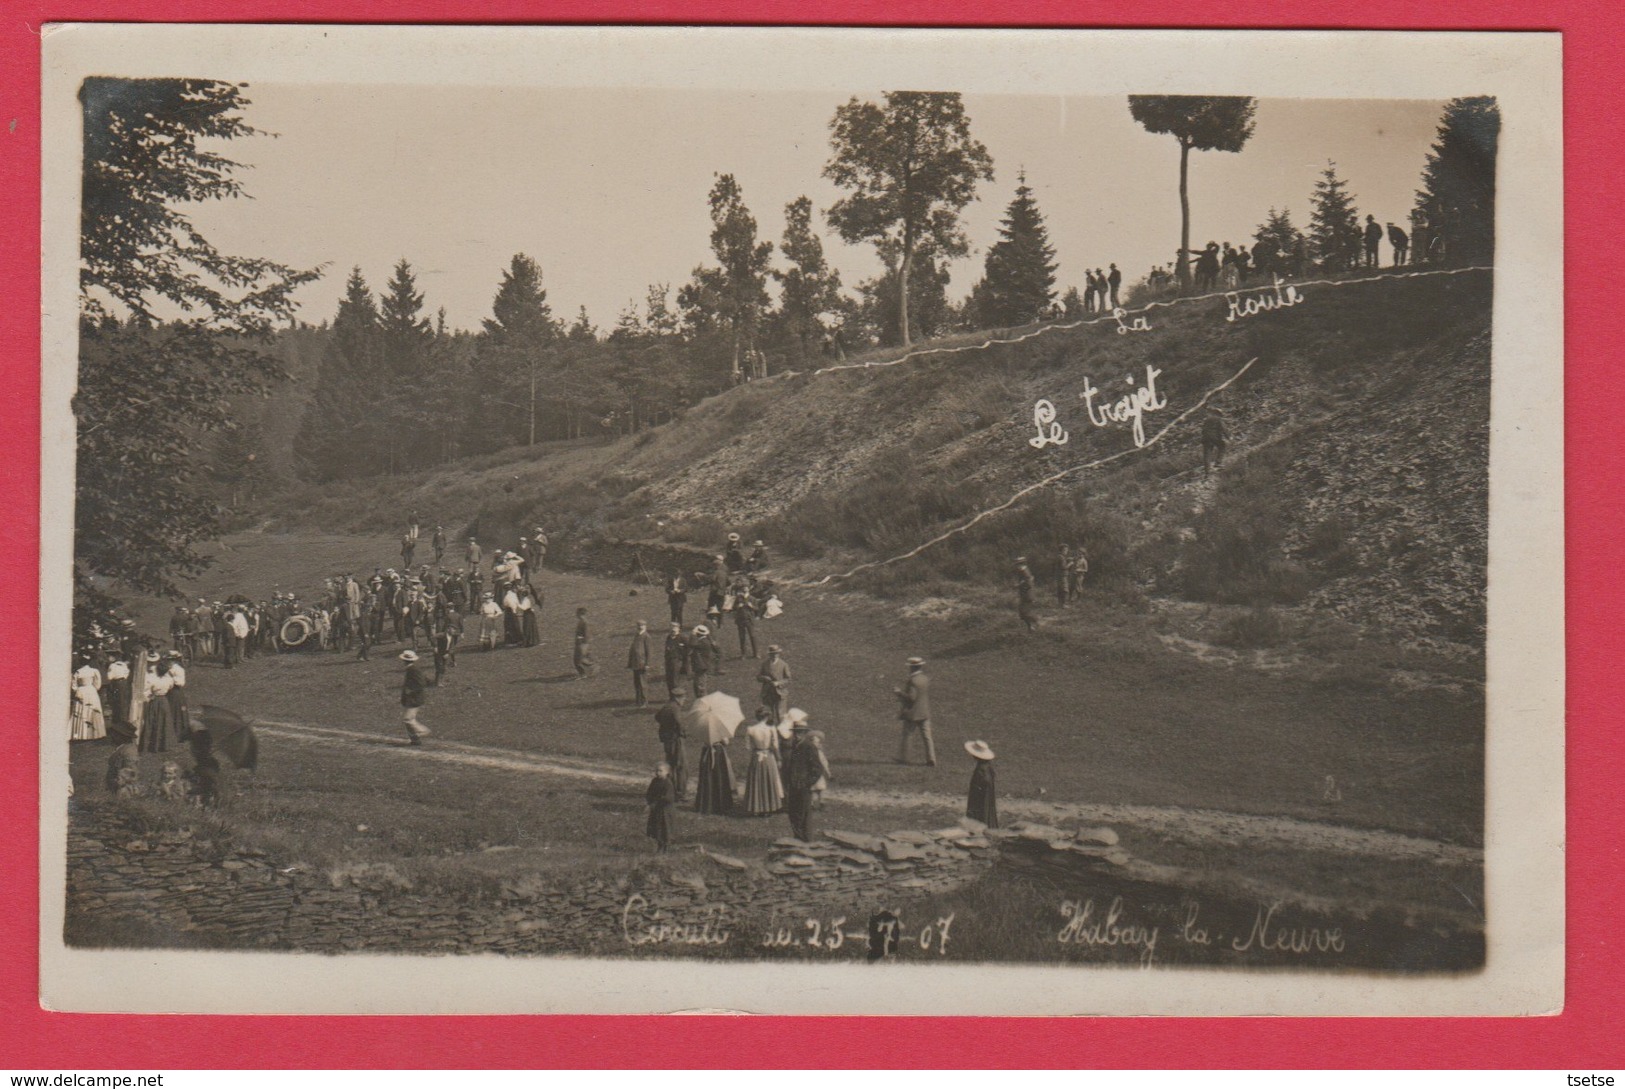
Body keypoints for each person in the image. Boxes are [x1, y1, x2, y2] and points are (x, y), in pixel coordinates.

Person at [782, 712, 823, 842]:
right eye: (795, 732)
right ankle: (799, 838)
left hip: (803, 785)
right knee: (793, 813)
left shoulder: (809, 746)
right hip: (793, 785)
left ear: (805, 733)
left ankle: (804, 840)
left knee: (803, 813)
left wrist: (807, 783)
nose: (797, 735)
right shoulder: (794, 746)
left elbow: (817, 769)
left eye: (800, 732)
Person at [741, 708, 784, 816]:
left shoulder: (750, 729)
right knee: (769, 779)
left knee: (757, 780)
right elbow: (775, 746)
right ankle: (768, 807)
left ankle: (756, 806)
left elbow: (747, 747)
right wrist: (778, 758)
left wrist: (756, 748)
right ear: (766, 717)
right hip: (768, 756)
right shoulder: (771, 729)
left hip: (756, 756)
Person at [894, 656, 936, 766]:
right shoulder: (925, 678)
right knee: (927, 737)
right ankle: (931, 759)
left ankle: (904, 758)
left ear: (912, 668)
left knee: (907, 736)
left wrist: (899, 693)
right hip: (924, 712)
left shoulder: (912, 681)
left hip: (912, 714)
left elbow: (911, 698)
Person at [655, 695, 689, 800]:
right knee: (681, 766)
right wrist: (683, 733)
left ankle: (669, 790)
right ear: (678, 698)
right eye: (683, 698)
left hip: (667, 741)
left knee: (670, 766)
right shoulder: (675, 709)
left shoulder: (666, 707)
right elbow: (679, 723)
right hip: (675, 740)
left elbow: (657, 717)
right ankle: (680, 793)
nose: (684, 701)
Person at [694, 730, 735, 816]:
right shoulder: (719, 729)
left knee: (707, 776)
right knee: (719, 776)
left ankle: (706, 804)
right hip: (717, 753)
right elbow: (726, 742)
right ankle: (721, 804)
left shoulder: (704, 728)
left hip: (706, 752)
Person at [965, 740, 999, 828]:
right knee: (987, 809)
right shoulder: (987, 767)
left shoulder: (981, 769)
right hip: (986, 793)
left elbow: (982, 782)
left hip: (979, 794)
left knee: (980, 810)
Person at [399, 650, 430, 746]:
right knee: (408, 720)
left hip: (414, 698)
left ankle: (423, 731)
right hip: (412, 698)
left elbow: (421, 683)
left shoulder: (413, 669)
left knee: (408, 719)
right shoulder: (412, 668)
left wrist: (410, 690)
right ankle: (415, 740)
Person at [644, 762, 676, 852]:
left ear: (667, 772)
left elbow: (669, 798)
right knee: (657, 828)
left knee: (665, 828)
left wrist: (657, 801)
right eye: (657, 770)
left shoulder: (668, 783)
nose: (658, 773)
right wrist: (650, 801)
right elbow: (649, 792)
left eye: (661, 771)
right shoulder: (654, 781)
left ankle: (666, 847)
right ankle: (660, 845)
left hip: (665, 810)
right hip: (656, 810)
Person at [69, 664, 105, 742]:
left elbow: (74, 685)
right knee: (92, 710)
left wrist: (78, 690)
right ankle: (95, 734)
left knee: (81, 712)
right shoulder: (94, 671)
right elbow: (98, 684)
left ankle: (80, 734)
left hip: (81, 691)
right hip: (91, 691)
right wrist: (93, 689)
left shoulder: (78, 672)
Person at [104, 720, 140, 794]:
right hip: (115, 785)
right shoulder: (122, 747)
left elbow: (130, 772)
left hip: (123, 788)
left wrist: (119, 783)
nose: (112, 736)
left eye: (115, 734)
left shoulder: (129, 752)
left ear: (122, 736)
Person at [757, 645, 791, 723]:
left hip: (780, 693)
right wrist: (764, 678)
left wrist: (778, 683)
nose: (774, 655)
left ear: (778, 654)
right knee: (768, 714)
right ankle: (769, 732)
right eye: (772, 654)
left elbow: (788, 679)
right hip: (767, 693)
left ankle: (781, 733)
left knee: (781, 715)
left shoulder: (783, 664)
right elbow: (758, 677)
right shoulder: (765, 664)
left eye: (776, 653)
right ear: (769, 654)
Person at [626, 620, 651, 707]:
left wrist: (647, 664)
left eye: (642, 626)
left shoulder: (646, 636)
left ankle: (644, 701)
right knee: (636, 683)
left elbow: (649, 651)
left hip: (642, 663)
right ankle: (638, 700)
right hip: (635, 663)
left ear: (645, 626)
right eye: (639, 626)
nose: (640, 627)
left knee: (642, 683)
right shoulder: (637, 635)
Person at [687, 624, 715, 698]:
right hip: (702, 666)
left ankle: (703, 702)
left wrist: (692, 635)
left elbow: (691, 644)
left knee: (700, 685)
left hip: (701, 666)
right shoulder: (703, 641)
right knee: (699, 684)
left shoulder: (703, 642)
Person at [662, 622, 689, 700]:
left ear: (678, 629)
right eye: (671, 628)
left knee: (675, 681)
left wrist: (685, 664)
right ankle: (671, 697)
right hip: (669, 661)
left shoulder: (682, 638)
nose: (673, 630)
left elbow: (687, 651)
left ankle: (677, 697)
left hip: (677, 662)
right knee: (669, 680)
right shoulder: (669, 637)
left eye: (675, 628)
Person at [732, 590, 759, 659]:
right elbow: (733, 608)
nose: (744, 592)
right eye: (743, 590)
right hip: (740, 620)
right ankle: (743, 654)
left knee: (753, 636)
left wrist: (751, 606)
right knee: (742, 637)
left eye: (746, 590)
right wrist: (738, 606)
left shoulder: (753, 598)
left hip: (749, 620)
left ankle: (756, 654)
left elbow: (757, 609)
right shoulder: (738, 598)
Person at [1201, 406, 1227, 474]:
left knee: (1207, 454)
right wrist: (1229, 437)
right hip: (1215, 438)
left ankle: (1207, 472)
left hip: (1205, 438)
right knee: (1222, 446)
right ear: (1218, 414)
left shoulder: (1206, 420)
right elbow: (1224, 429)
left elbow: (1203, 430)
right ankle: (1218, 462)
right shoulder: (1218, 419)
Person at [1015, 558, 1038, 632]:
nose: (1017, 566)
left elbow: (1028, 583)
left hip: (1028, 595)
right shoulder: (1023, 571)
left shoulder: (1025, 571)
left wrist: (1018, 585)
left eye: (1018, 564)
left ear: (1022, 564)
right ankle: (1031, 627)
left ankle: (1035, 623)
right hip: (1026, 595)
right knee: (1023, 612)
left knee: (1024, 612)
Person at [573, 607, 597, 678]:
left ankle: (584, 673)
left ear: (580, 613)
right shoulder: (581, 621)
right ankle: (586, 672)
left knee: (579, 659)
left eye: (577, 613)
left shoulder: (584, 622)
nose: (576, 614)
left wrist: (582, 642)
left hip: (582, 643)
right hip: (580, 643)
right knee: (580, 659)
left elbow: (586, 634)